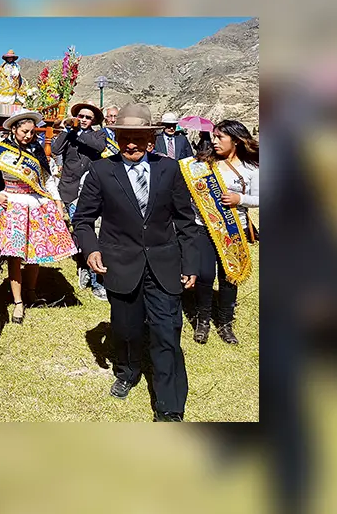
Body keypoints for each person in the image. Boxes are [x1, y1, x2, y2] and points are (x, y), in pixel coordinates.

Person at [72, 102, 199, 422]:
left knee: (167, 334)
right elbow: (83, 221)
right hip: (120, 265)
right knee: (127, 330)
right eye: (126, 136)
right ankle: (127, 371)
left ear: (151, 141)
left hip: (164, 265)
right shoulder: (101, 171)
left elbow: (186, 220)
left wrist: (191, 263)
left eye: (138, 137)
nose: (131, 143)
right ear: (117, 136)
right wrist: (90, 251)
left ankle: (170, 408)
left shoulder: (170, 169)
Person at [0, 110, 77, 322]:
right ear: (14, 130)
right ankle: (17, 302)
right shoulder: (2, 150)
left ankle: (31, 291)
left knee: (36, 252)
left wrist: (56, 201)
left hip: (35, 205)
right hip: (11, 205)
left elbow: (47, 180)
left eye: (31, 132)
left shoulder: (36, 149)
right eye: (24, 132)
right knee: (15, 256)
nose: (28, 136)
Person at [181, 120, 259, 345]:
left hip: (234, 229)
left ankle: (225, 323)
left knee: (229, 277)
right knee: (205, 275)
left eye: (219, 138)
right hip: (203, 228)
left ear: (235, 140)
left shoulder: (251, 168)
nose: (213, 142)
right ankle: (202, 320)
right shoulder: (202, 163)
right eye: (213, 137)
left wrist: (240, 199)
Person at [51, 102, 109, 300]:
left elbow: (99, 147)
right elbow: (55, 149)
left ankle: (94, 277)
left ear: (94, 121)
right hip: (70, 189)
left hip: (91, 190)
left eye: (88, 118)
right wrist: (68, 131)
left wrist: (78, 134)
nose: (83, 120)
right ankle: (86, 266)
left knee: (91, 231)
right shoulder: (69, 133)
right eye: (81, 116)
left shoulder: (98, 135)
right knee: (84, 230)